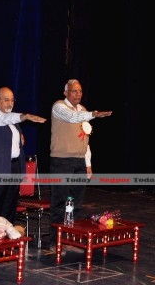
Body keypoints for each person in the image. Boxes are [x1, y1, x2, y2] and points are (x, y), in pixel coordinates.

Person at [48, 79, 112, 251]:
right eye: (74, 91)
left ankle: (73, 239)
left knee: (76, 204)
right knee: (59, 203)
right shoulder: (59, 106)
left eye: (80, 91)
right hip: (61, 161)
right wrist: (94, 114)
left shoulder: (83, 110)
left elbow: (85, 138)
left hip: (79, 162)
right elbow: (72, 117)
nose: (78, 94)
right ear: (65, 92)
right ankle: (55, 242)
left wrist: (88, 163)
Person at [0, 87, 47, 224]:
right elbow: (3, 120)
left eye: (12, 100)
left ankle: (7, 240)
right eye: (6, 100)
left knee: (9, 207)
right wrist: (26, 116)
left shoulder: (14, 122)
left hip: (14, 167)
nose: (10, 103)